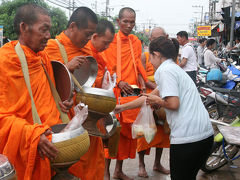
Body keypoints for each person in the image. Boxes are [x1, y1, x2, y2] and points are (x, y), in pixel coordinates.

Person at [114, 36, 214, 180]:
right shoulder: (173, 68)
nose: (150, 61)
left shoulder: (164, 71)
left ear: (157, 54)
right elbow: (147, 98)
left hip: (188, 139)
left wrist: (159, 102)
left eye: (151, 57)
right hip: (204, 136)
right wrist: (120, 108)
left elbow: (173, 104)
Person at [0, 3, 73, 180]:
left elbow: (47, 97)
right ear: (24, 27)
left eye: (49, 30)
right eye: (44, 30)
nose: (48, 36)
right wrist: (33, 135)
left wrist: (63, 103)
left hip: (54, 143)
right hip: (27, 147)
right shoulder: (5, 61)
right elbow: (2, 115)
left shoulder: (43, 58)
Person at [45, 7, 104, 180]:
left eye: (91, 34)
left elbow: (89, 82)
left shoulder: (87, 51)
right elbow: (42, 82)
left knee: (93, 162)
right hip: (63, 119)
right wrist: (66, 67)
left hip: (86, 117)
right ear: (73, 26)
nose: (88, 39)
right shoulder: (51, 47)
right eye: (87, 34)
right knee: (73, 162)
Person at [103, 7, 148, 180]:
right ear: (118, 21)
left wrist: (143, 86)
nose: (129, 25)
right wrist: (118, 81)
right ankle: (106, 171)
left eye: (132, 22)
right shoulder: (111, 41)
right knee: (111, 132)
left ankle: (118, 170)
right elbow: (105, 67)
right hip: (114, 91)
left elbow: (138, 66)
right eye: (125, 21)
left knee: (127, 134)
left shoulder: (136, 42)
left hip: (131, 94)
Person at [137, 27, 170, 178]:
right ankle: (141, 165)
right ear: (150, 41)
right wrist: (155, 90)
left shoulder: (170, 57)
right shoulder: (145, 56)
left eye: (160, 39)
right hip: (149, 96)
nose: (157, 42)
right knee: (145, 132)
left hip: (164, 97)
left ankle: (157, 163)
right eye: (154, 40)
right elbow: (142, 77)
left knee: (163, 134)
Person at [86, 19, 115, 88]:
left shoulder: (101, 55)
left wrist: (108, 77)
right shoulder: (84, 52)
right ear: (95, 37)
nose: (107, 47)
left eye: (109, 43)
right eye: (105, 43)